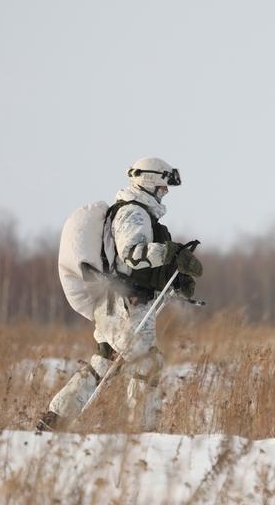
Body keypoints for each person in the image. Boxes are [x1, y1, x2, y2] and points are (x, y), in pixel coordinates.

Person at [37, 157, 203, 432]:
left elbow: (135, 264)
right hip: (126, 301)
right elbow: (134, 256)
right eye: (164, 185)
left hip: (116, 300)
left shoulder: (138, 212)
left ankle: (53, 420)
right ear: (150, 180)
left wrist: (174, 277)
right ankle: (141, 434)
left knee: (105, 361)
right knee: (147, 362)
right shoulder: (134, 213)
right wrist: (173, 254)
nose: (166, 191)